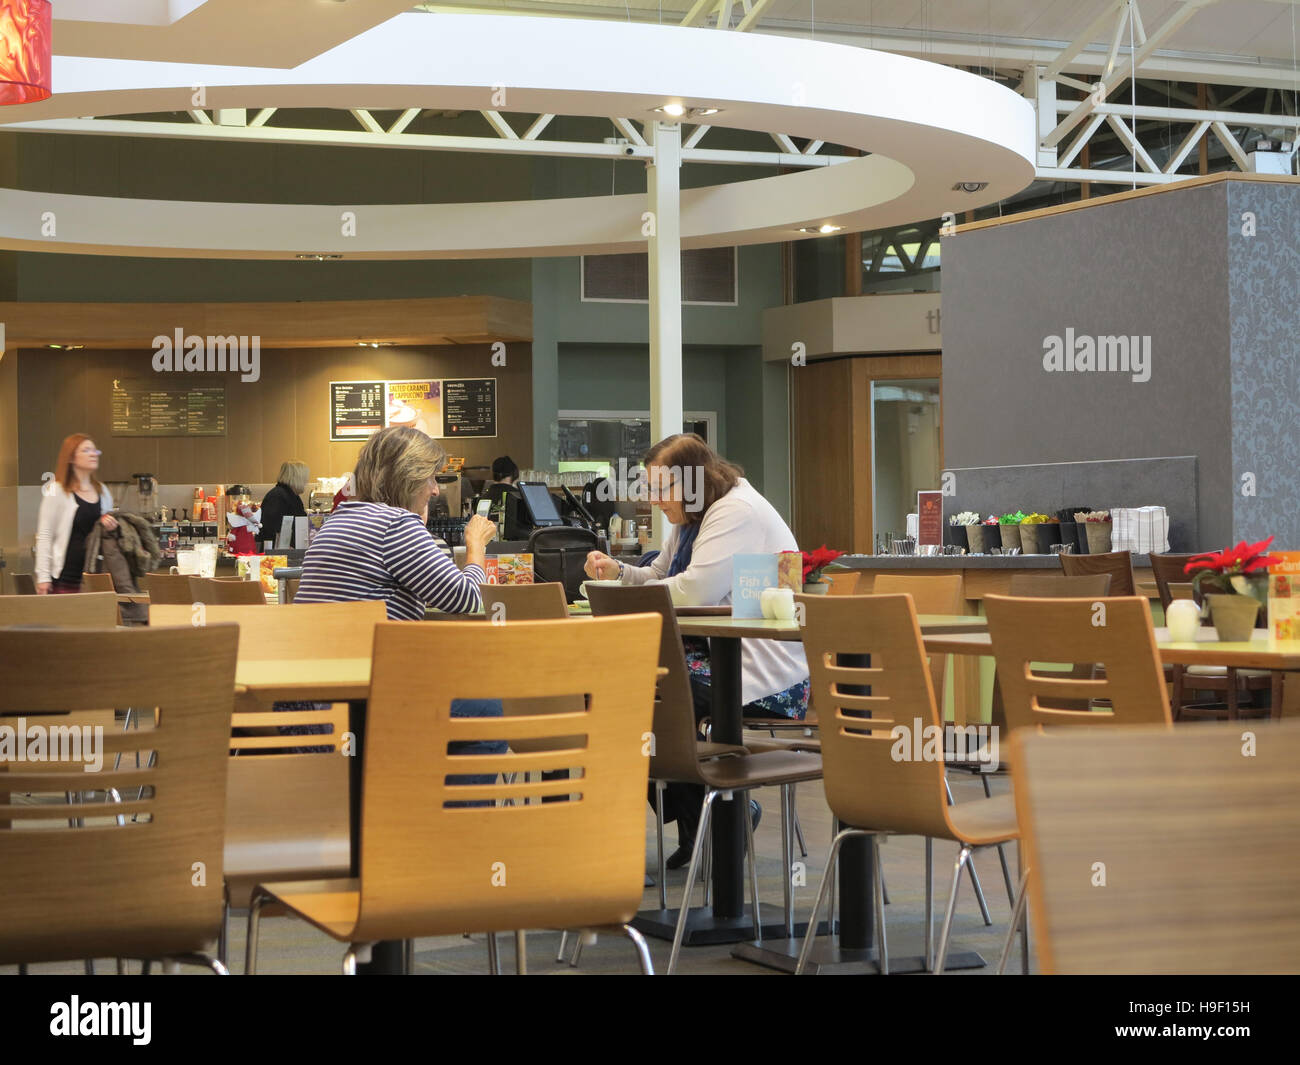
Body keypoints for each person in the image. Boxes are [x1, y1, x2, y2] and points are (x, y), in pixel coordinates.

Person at [584, 433, 810, 867]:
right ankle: (708, 814)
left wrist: (622, 597)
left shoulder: (735, 512)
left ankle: (718, 813)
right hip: (715, 659)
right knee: (622, 691)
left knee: (652, 698)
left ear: (694, 482)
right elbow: (660, 574)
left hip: (765, 673)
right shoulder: (696, 515)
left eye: (660, 490)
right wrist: (619, 573)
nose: (654, 501)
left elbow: (692, 590)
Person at [294, 427, 502, 802]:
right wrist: (475, 547)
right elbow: (469, 599)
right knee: (485, 710)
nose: (436, 489)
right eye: (430, 477)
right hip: (368, 702)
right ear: (408, 478)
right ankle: (452, 838)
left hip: (312, 702)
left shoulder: (333, 524)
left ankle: (405, 806)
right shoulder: (396, 525)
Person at [34, 434, 119, 594]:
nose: (93, 454)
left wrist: (109, 524)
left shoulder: (102, 491)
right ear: (71, 457)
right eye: (86, 450)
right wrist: (43, 577)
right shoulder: (57, 490)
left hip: (96, 576)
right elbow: (45, 535)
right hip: (65, 576)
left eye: (95, 450)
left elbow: (105, 534)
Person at [259, 460, 309, 550]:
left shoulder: (291, 496)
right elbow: (271, 527)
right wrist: (284, 546)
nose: (306, 482)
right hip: (278, 552)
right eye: (305, 478)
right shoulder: (278, 496)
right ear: (297, 478)